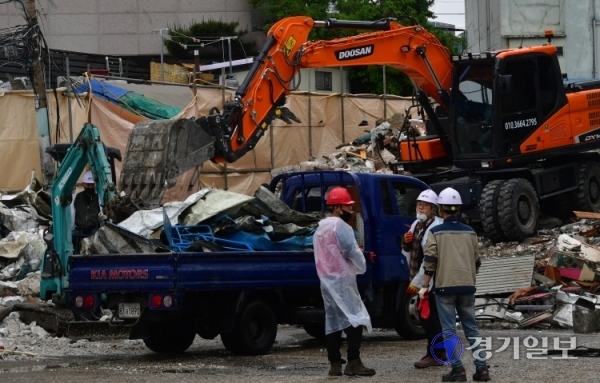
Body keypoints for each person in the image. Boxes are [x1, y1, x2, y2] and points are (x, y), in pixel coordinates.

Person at [421, 187, 490, 382]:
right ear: (458, 209)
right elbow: (477, 261)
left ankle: (458, 370)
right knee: (471, 328)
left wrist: (425, 286)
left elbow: (430, 261)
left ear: (441, 208)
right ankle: (482, 368)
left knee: (449, 330)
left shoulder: (435, 232)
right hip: (467, 287)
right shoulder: (471, 233)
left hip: (445, 288)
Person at [313, 187, 375, 377]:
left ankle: (334, 364)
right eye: (347, 207)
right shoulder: (341, 227)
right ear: (338, 207)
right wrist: (362, 263)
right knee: (355, 318)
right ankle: (353, 361)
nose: (351, 210)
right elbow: (351, 251)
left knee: (332, 321)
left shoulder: (321, 227)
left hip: (326, 281)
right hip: (342, 279)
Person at [401, 189, 445, 368]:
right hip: (420, 279)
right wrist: (405, 241)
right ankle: (437, 352)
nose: (420, 207)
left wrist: (418, 283)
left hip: (431, 281)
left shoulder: (435, 227)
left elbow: (430, 258)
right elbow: (408, 251)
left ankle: (435, 354)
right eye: (419, 204)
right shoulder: (416, 226)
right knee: (427, 317)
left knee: (431, 318)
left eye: (425, 205)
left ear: (433, 209)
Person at [72, 170, 101, 252]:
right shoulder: (77, 197)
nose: (90, 187)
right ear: (84, 184)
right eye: (88, 185)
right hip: (79, 229)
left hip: (93, 230)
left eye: (92, 185)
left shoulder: (98, 198)